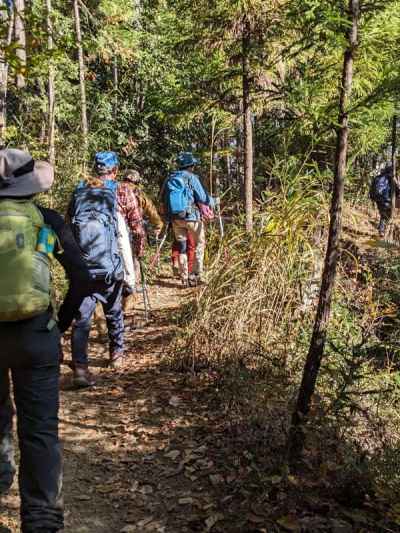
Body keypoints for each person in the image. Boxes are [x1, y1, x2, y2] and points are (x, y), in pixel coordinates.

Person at [0, 149, 91, 533]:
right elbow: (83, 279)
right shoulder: (46, 221)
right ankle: (41, 520)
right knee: (39, 431)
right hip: (37, 337)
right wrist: (61, 324)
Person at [69, 152, 145, 386]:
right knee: (113, 309)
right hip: (110, 264)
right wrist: (137, 252)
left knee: (82, 317)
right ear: (115, 169)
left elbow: (68, 227)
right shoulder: (122, 190)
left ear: (96, 168)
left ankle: (80, 368)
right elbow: (135, 226)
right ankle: (116, 355)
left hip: (83, 266)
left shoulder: (80, 189)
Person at [163, 152, 214, 287]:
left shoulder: (170, 178)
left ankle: (184, 277)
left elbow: (162, 197)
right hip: (192, 217)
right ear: (191, 165)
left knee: (182, 247)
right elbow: (202, 197)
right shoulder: (191, 178)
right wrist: (212, 202)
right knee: (199, 244)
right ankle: (196, 274)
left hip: (176, 218)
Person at [122, 169, 163, 311]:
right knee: (134, 264)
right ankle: (129, 300)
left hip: (114, 235)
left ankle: (117, 299)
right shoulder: (139, 193)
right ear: (137, 181)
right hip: (134, 233)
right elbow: (151, 210)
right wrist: (158, 224)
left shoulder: (115, 189)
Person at [369, 165, 398, 237]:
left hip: (378, 199)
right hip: (386, 200)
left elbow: (372, 189)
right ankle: (382, 230)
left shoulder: (377, 177)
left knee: (383, 214)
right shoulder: (391, 178)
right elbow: (397, 190)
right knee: (386, 215)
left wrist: (373, 198)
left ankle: (381, 229)